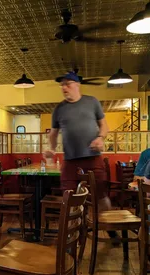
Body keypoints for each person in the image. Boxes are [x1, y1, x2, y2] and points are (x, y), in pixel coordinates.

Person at [43, 72, 118, 240]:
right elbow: (53, 134)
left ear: (77, 85)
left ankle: (110, 228)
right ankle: (72, 236)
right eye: (61, 85)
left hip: (92, 157)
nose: (64, 87)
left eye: (67, 83)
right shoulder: (59, 109)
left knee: (100, 195)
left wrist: (100, 137)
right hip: (70, 161)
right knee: (69, 197)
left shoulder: (92, 102)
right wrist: (51, 148)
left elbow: (104, 126)